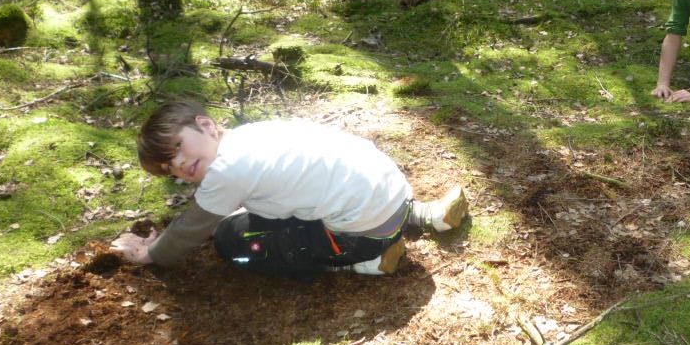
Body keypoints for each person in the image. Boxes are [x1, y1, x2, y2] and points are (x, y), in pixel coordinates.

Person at [109, 101, 467, 279]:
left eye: (177, 148)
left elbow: (193, 227)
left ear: (205, 125)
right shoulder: (253, 134)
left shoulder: (226, 172)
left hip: (362, 233)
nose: (179, 165)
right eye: (168, 168)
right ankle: (425, 215)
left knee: (231, 241)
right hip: (392, 194)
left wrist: (152, 253)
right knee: (261, 216)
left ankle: (365, 261)